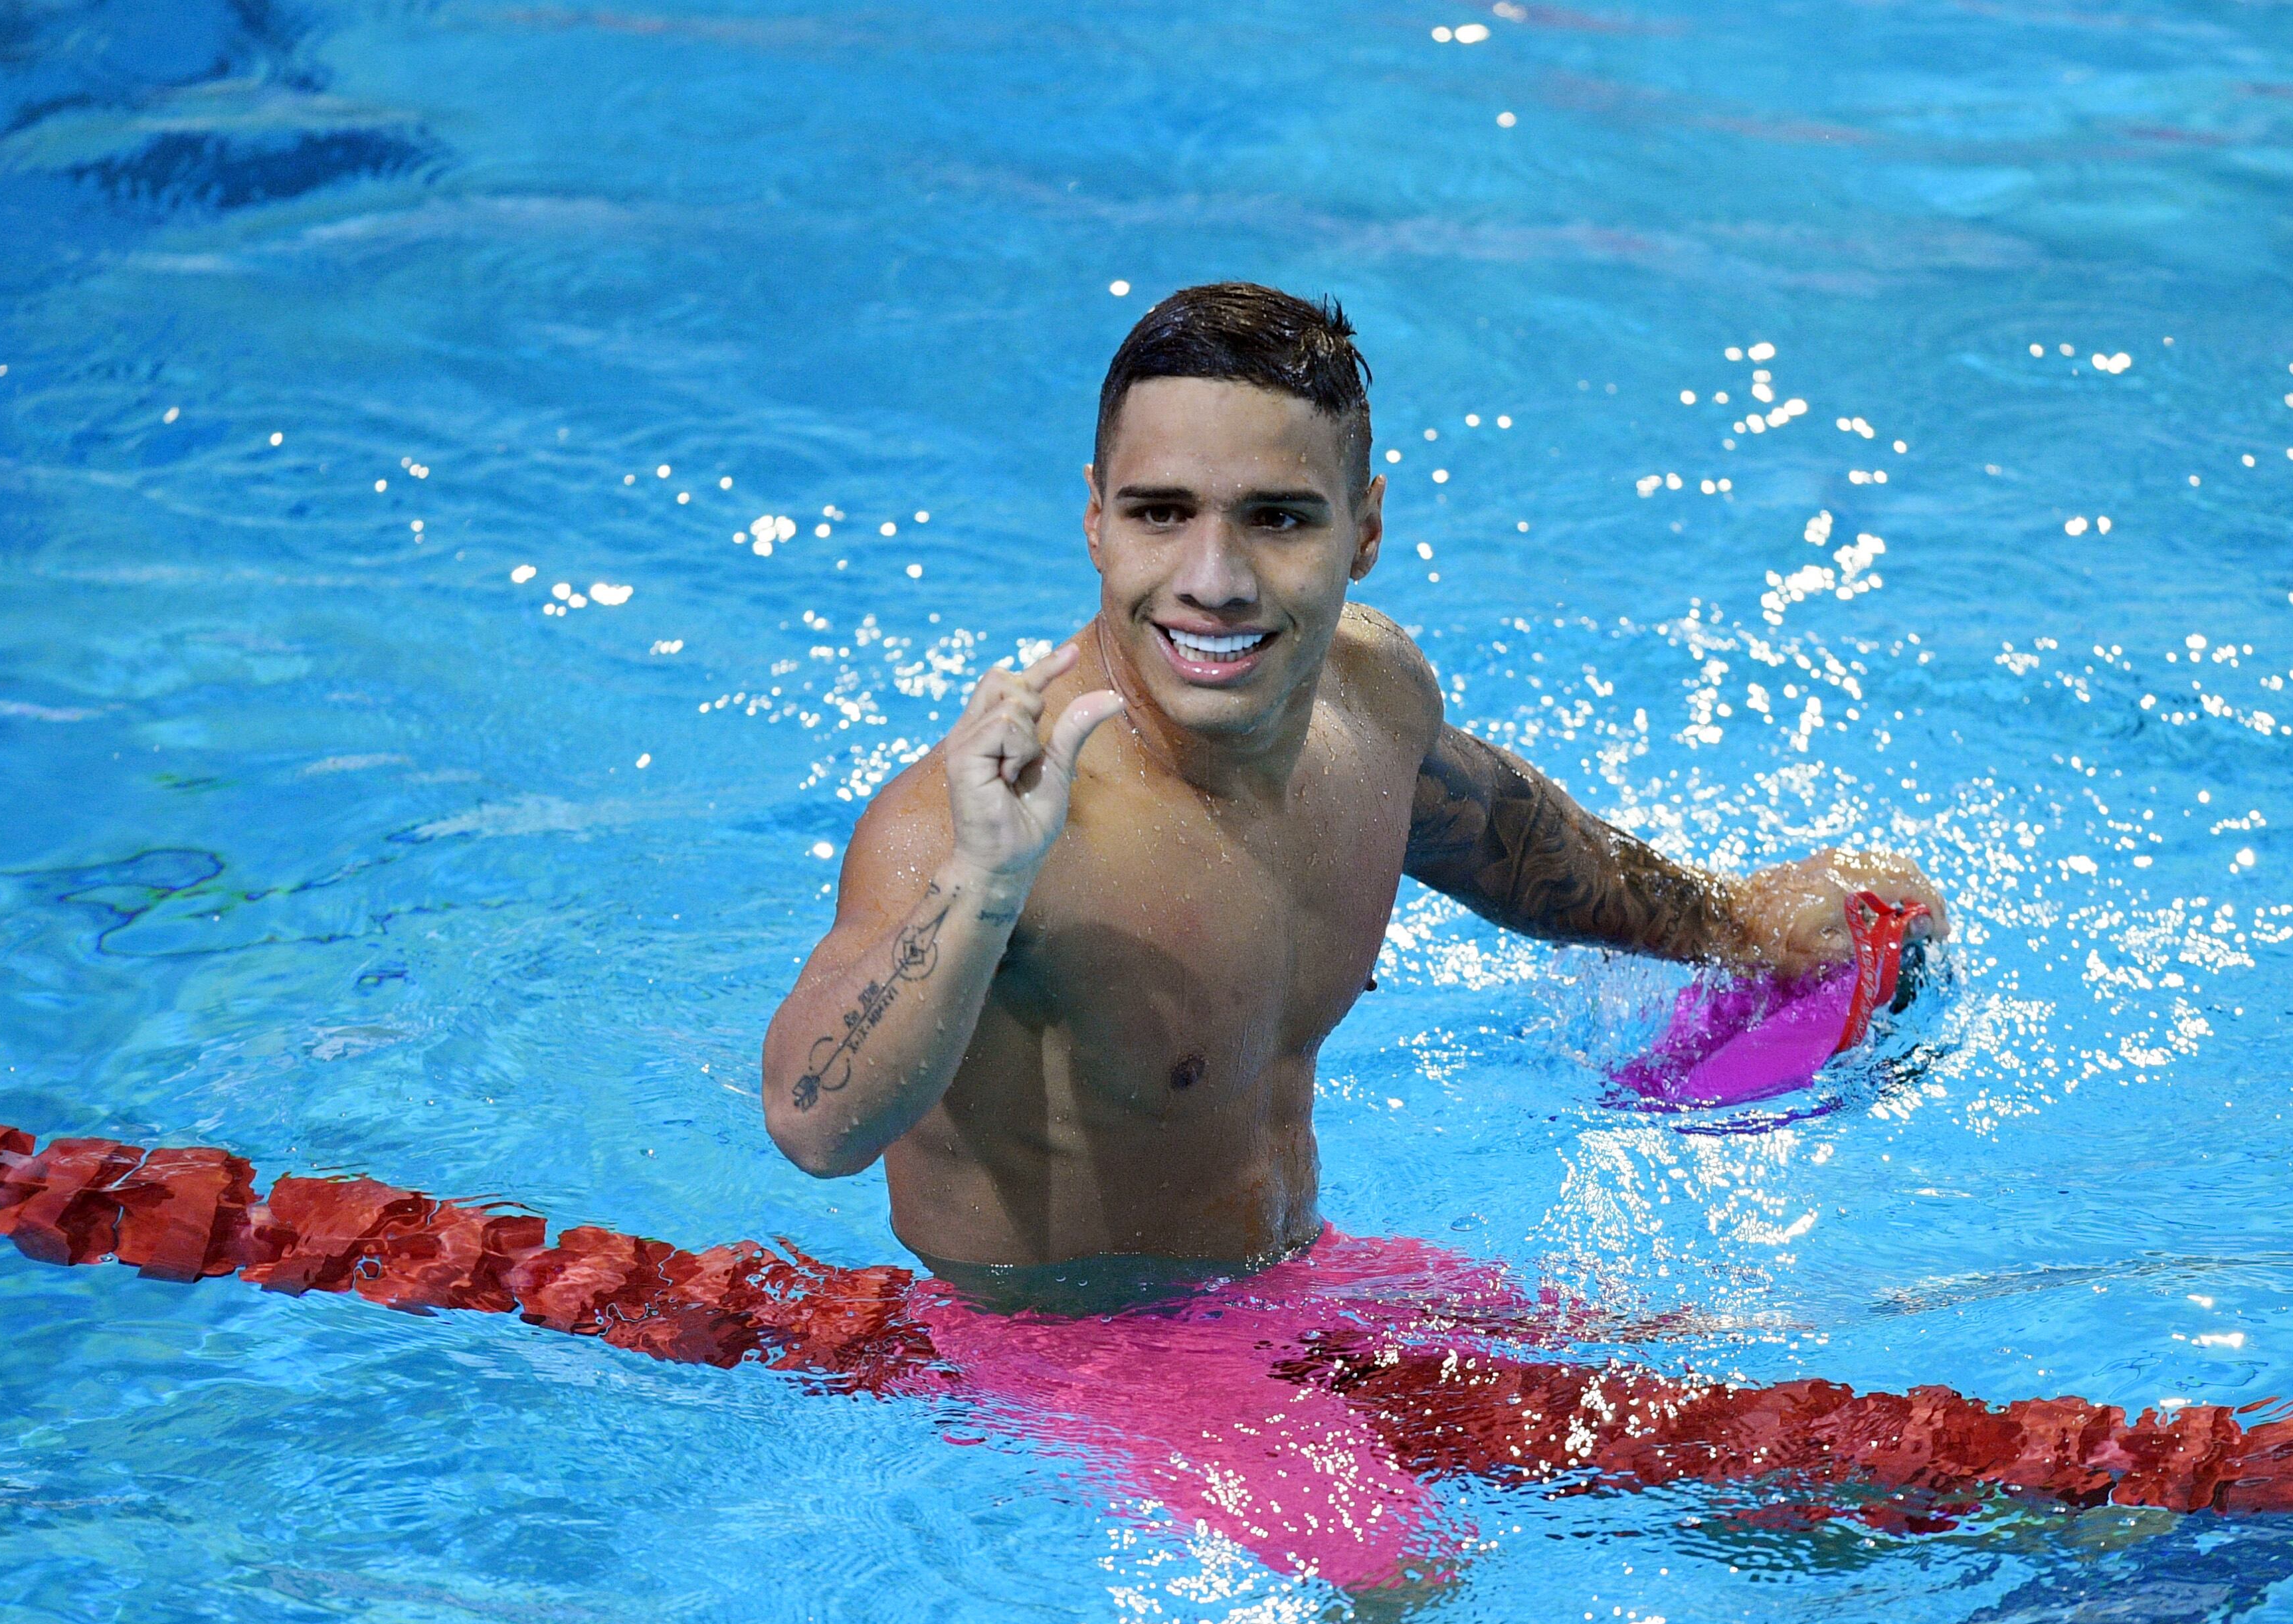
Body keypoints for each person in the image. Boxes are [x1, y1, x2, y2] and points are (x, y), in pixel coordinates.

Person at [761, 282, 1948, 1279]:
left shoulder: (1366, 696)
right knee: (1417, 1567)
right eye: (1161, 514)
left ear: (1363, 530)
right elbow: (816, 1127)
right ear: (1095, 521)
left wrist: (1736, 924)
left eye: (1276, 519)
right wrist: (985, 878)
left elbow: (1502, 841)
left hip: (1298, 1280)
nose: (1212, 579)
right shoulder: (985, 822)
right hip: (1076, 1348)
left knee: (1710, 1383)